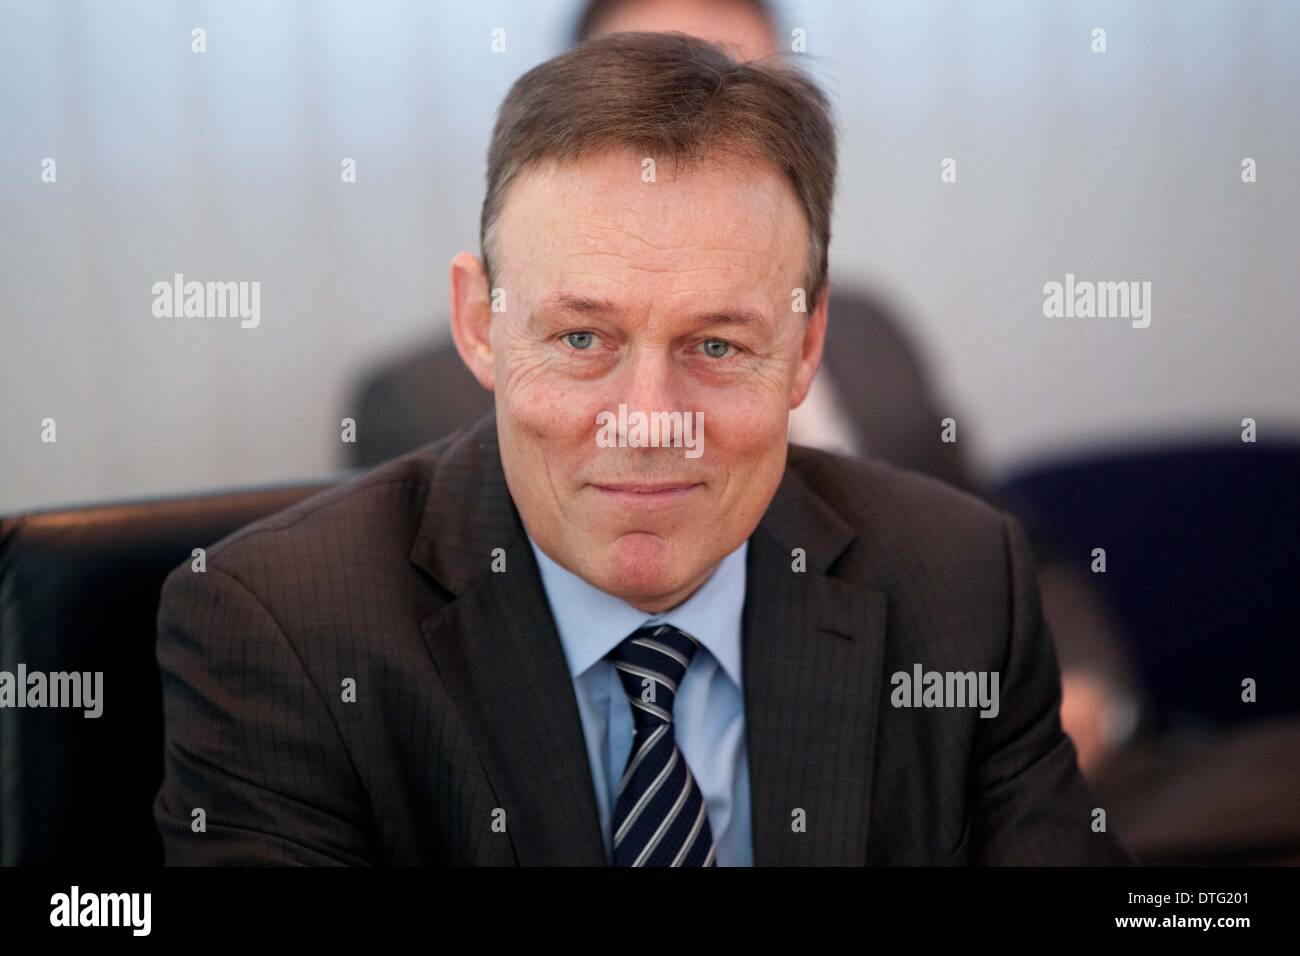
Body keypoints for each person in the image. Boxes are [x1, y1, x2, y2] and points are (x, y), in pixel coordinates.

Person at [153, 32, 1129, 866]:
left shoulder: (957, 581)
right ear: (480, 324)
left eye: (716, 345)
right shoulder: (284, 628)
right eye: (583, 340)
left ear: (804, 348)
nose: (649, 419)